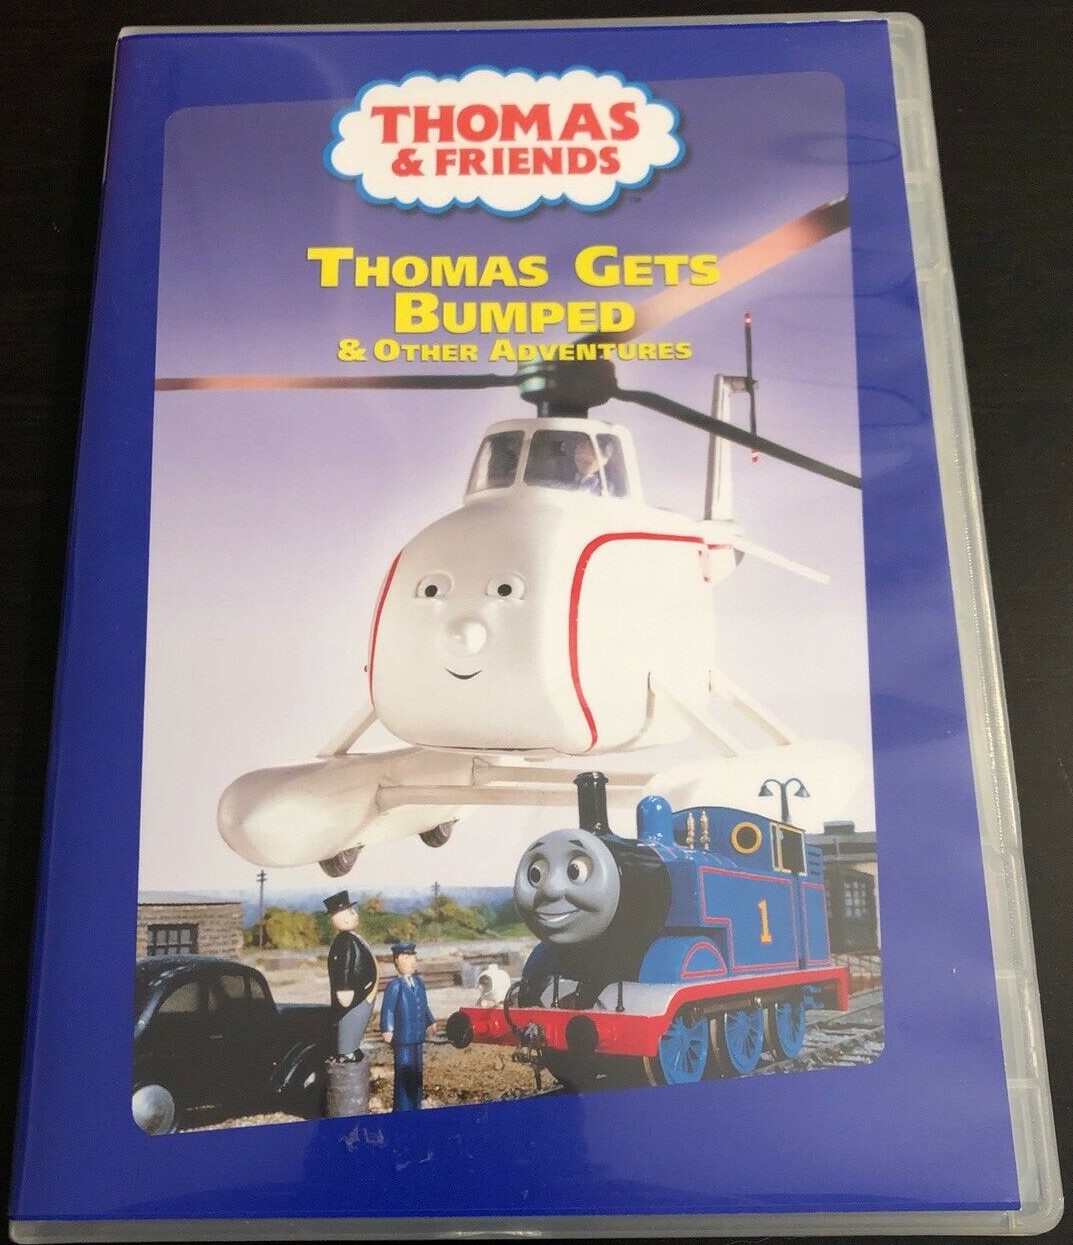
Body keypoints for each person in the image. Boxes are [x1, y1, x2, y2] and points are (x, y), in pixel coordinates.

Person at [379, 941, 435, 1110]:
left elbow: (424, 1006)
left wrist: (430, 1021)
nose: (412, 962)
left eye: (413, 958)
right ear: (397, 961)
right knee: (404, 1074)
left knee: (417, 1073)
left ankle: (416, 1105)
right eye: (406, 958)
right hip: (403, 1039)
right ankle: (403, 1108)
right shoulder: (395, 986)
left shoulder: (419, 983)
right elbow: (388, 1009)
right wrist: (387, 1028)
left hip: (417, 1037)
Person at [324, 890, 378, 1063]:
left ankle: (351, 1048)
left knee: (356, 1024)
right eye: (350, 912)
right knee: (350, 1023)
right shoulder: (345, 942)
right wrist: (344, 989)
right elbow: (344, 967)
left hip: (362, 995)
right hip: (354, 998)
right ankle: (347, 1051)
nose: (354, 914)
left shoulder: (351, 938)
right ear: (341, 918)